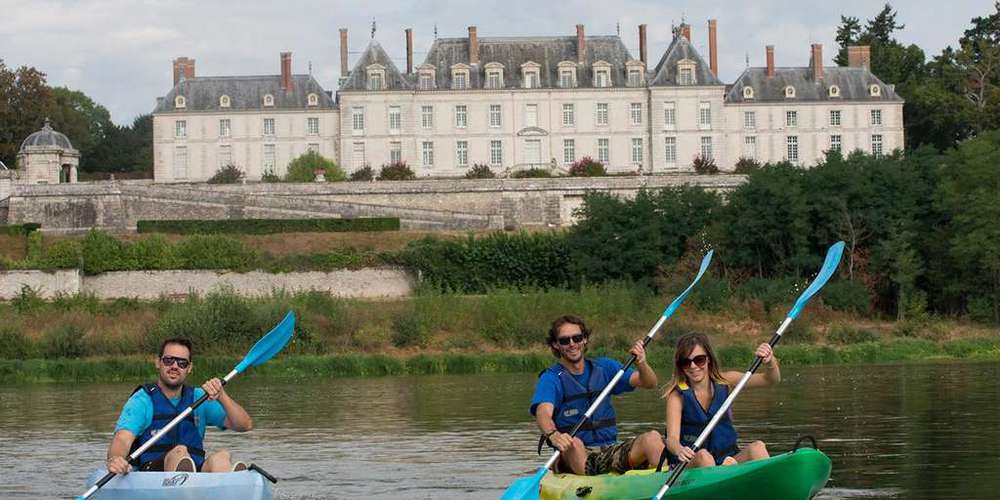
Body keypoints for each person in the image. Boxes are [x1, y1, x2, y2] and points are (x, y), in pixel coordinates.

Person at [530, 315, 665, 476]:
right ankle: (593, 486)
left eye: (577, 338)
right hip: (573, 454)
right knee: (575, 443)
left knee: (652, 439)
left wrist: (641, 363)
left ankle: (665, 485)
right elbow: (543, 413)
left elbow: (649, 383)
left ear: (584, 339)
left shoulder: (605, 368)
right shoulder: (551, 378)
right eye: (565, 340)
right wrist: (553, 435)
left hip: (608, 451)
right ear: (556, 345)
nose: (572, 344)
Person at [104, 338, 254, 475]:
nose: (175, 366)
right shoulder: (142, 400)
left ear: (189, 368)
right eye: (169, 360)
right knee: (179, 451)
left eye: (182, 363)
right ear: (158, 362)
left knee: (221, 456)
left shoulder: (199, 398)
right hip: (152, 474)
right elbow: (122, 439)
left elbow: (244, 425)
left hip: (194, 470)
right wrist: (116, 459)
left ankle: (231, 486)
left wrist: (222, 396)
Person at [661, 332, 780, 470]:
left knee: (758, 447)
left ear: (709, 359)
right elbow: (672, 440)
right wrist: (679, 450)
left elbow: (770, 379)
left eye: (699, 360)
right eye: (686, 362)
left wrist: (770, 362)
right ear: (680, 365)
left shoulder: (726, 381)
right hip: (691, 464)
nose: (693, 366)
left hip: (727, 459)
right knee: (705, 457)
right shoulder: (676, 396)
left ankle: (768, 485)